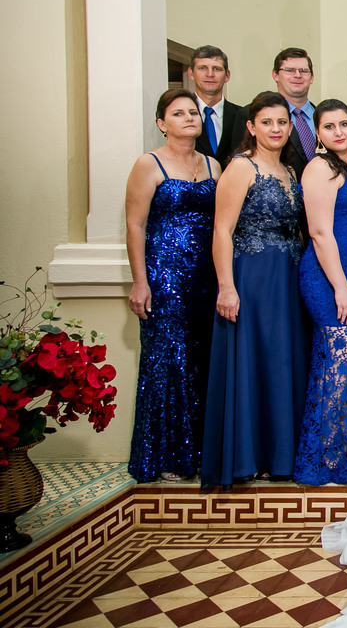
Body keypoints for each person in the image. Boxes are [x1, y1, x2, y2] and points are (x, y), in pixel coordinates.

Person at [201, 92, 308, 490]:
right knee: (256, 360)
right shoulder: (241, 167)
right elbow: (221, 231)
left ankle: (281, 454)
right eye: (267, 122)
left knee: (281, 361)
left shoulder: (290, 170)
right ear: (251, 126)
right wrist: (227, 287)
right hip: (252, 277)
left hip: (287, 276)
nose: (275, 129)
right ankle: (253, 455)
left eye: (281, 122)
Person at [125, 89, 220, 483]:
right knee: (169, 360)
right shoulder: (148, 164)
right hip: (165, 277)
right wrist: (140, 281)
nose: (189, 118)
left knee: (202, 358)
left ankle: (199, 452)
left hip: (207, 278)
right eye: (178, 113)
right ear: (162, 123)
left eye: (192, 112)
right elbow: (135, 225)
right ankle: (165, 455)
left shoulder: (213, 165)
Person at [293, 100, 347, 486]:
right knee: (338, 363)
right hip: (329, 278)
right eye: (329, 126)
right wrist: (340, 287)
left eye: (344, 124)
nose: (338, 131)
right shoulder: (319, 167)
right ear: (318, 135)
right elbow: (320, 233)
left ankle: (342, 455)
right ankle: (325, 461)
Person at [189, 45, 246, 168]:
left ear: (227, 76)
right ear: (191, 73)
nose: (210, 74)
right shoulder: (181, 115)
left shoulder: (243, 116)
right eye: (202, 68)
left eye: (217, 69)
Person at [273, 47, 318, 170]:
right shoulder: (253, 115)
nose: (297, 75)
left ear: (311, 77)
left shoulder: (324, 117)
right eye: (290, 70)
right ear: (275, 75)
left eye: (303, 71)